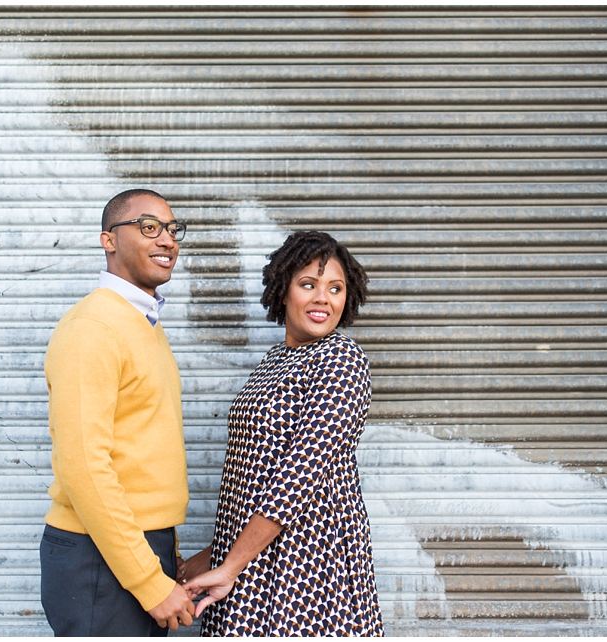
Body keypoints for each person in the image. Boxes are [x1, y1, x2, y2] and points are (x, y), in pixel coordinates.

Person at [180, 231, 384, 636]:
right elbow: (254, 475)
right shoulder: (275, 360)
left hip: (307, 565)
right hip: (253, 557)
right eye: (308, 284)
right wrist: (218, 554)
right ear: (283, 290)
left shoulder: (341, 359)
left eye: (335, 289)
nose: (323, 299)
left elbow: (297, 476)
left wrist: (230, 565)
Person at [40, 189, 195, 636]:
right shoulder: (93, 328)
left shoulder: (142, 323)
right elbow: (84, 467)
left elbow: (141, 452)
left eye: (172, 229)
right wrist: (147, 580)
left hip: (131, 549)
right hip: (98, 559)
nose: (166, 239)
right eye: (148, 227)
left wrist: (164, 554)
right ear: (108, 240)